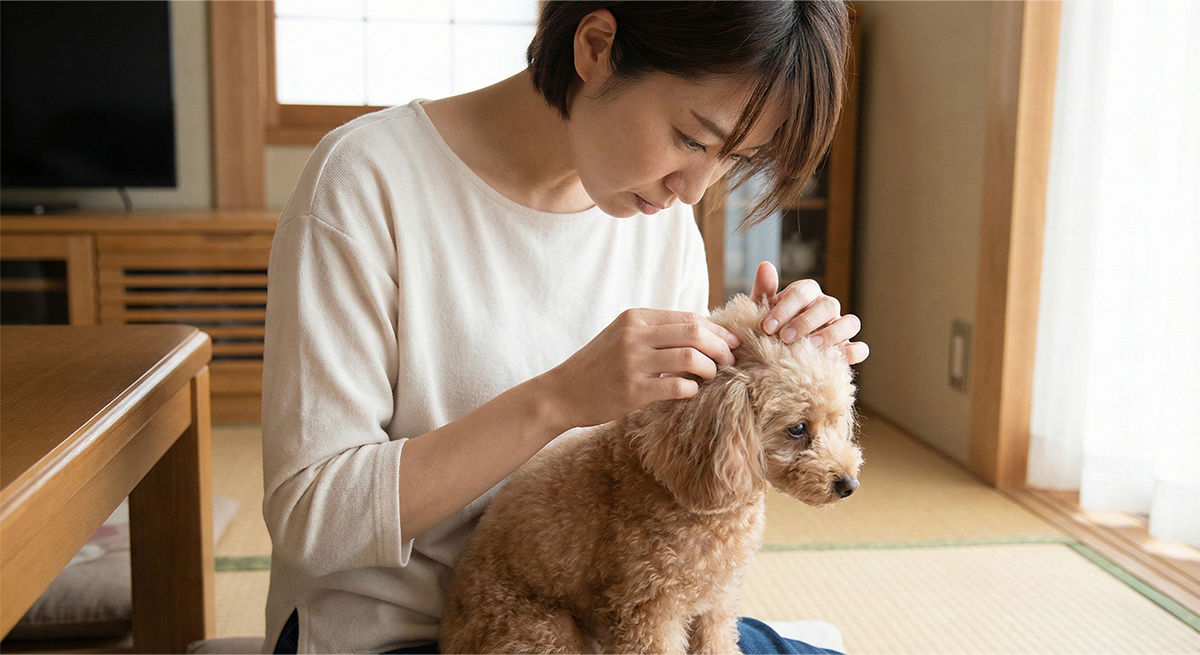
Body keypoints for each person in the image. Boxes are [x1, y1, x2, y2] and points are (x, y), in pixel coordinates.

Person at [261, 1, 869, 653]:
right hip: (397, 631)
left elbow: (678, 492)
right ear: (597, 45)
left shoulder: (660, 222)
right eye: (692, 138)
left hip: (606, 613)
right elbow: (310, 518)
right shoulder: (363, 183)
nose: (694, 188)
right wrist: (556, 400)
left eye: (733, 157)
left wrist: (780, 363)